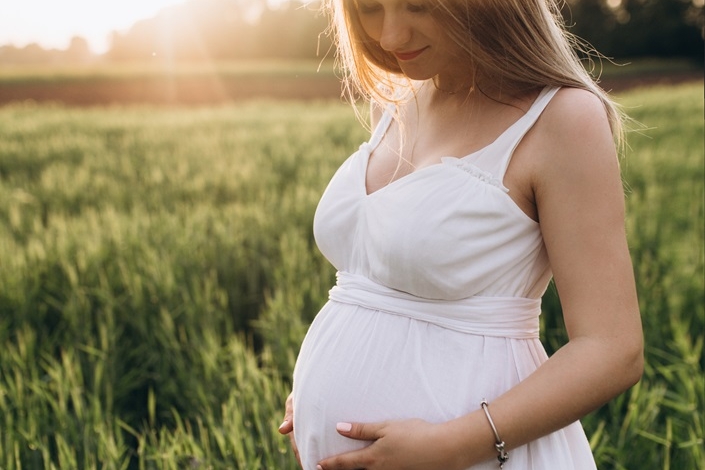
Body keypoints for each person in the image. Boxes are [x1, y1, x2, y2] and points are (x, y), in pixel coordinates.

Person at [278, 0, 644, 468]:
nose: (390, 36)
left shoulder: (562, 118)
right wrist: (314, 395)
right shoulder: (394, 101)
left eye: (419, 6)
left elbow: (613, 350)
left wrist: (451, 446)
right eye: (370, 8)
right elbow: (377, 282)